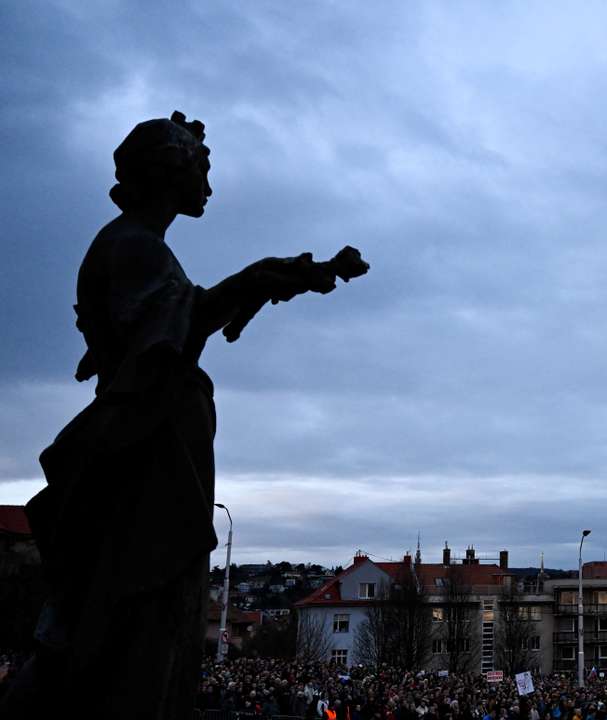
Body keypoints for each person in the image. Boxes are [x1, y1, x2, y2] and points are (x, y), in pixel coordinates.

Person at [0, 111, 366, 719]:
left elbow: (175, 319)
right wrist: (280, 274)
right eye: (202, 168)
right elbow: (182, 323)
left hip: (157, 437)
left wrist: (284, 277)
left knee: (134, 610)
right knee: (136, 607)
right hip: (147, 448)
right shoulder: (132, 246)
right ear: (170, 171)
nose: (210, 186)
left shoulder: (139, 248)